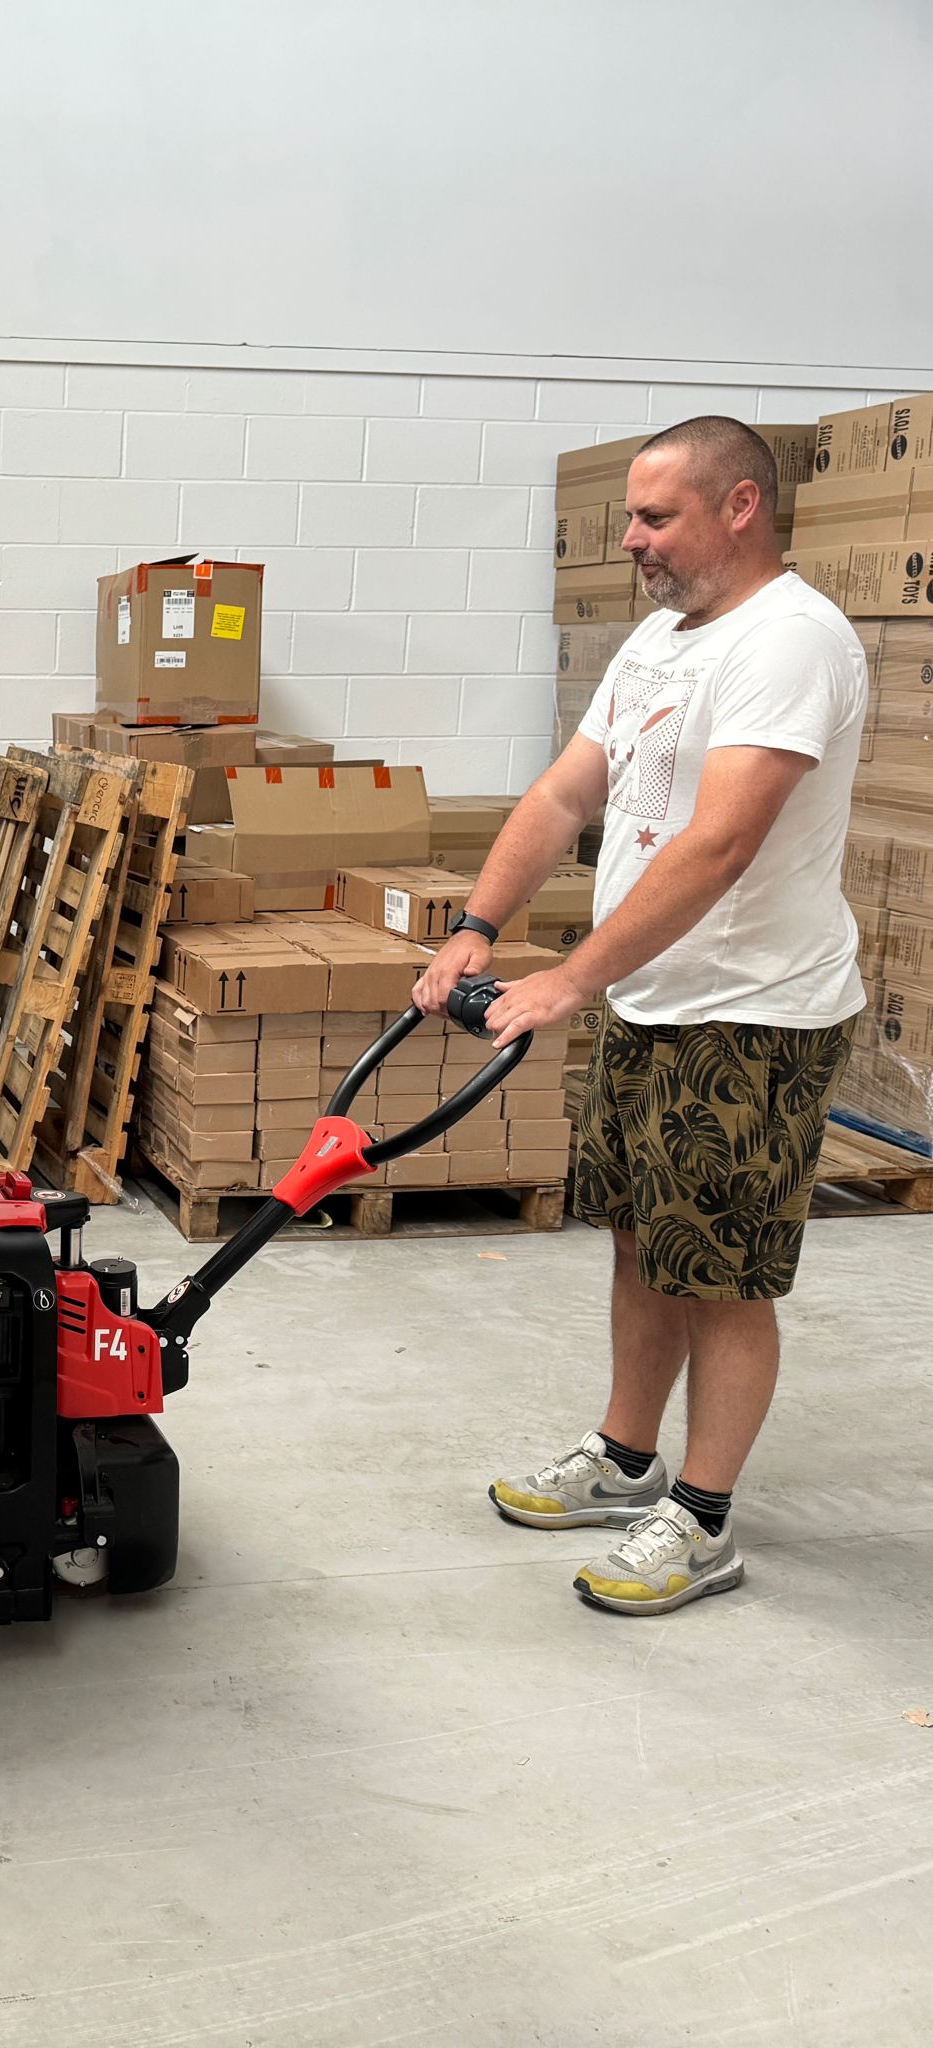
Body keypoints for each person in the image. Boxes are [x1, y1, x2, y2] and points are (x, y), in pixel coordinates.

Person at [413, 415, 868, 1616]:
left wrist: (567, 978)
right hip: (653, 997)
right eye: (629, 516)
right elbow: (569, 790)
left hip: (751, 1013)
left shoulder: (790, 642)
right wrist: (476, 922)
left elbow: (719, 842)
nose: (629, 540)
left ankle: (703, 1520)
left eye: (653, 516)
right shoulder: (659, 641)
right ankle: (625, 1459)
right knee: (637, 1237)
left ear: (738, 508)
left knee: (720, 1273)